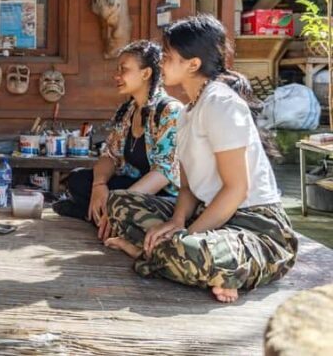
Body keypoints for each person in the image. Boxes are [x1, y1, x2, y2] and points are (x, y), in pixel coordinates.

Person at [105, 15, 297, 303]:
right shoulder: (186, 113)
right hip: (209, 216)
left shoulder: (221, 104)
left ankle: (155, 254)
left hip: (256, 226)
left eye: (168, 57)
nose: (161, 63)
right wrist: (178, 221)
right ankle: (191, 261)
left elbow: (237, 189)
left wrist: (185, 236)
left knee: (185, 250)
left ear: (193, 64)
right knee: (120, 201)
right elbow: (188, 187)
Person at [53, 41, 182, 241]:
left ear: (146, 73)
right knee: (78, 179)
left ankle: (95, 215)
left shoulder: (169, 111)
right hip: (131, 188)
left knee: (122, 204)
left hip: (161, 195)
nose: (117, 75)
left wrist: (117, 204)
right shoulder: (128, 111)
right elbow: (109, 155)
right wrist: (99, 186)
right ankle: (105, 218)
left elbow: (164, 173)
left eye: (123, 69)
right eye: (117, 69)